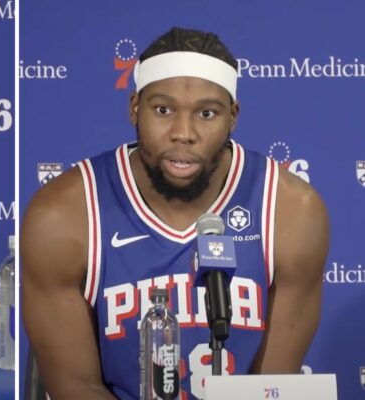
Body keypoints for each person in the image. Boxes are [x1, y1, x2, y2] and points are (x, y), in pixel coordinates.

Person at [21, 27, 329, 399]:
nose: (183, 133)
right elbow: (76, 386)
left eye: (206, 113)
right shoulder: (63, 215)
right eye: (163, 110)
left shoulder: (291, 211)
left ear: (232, 116)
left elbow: (271, 386)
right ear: (135, 107)